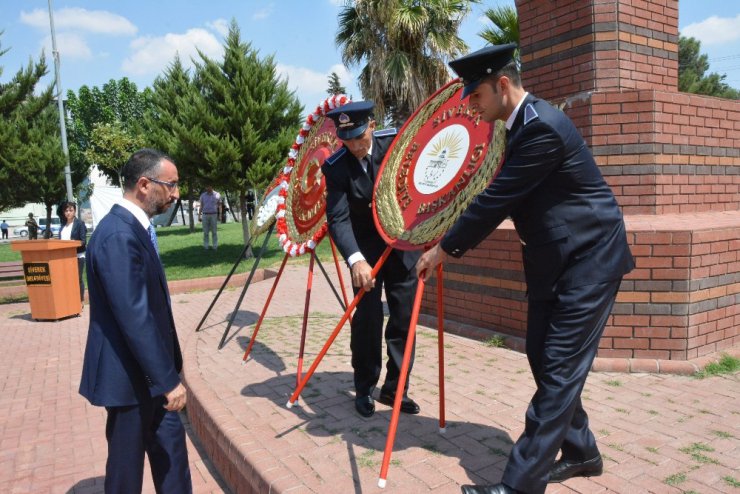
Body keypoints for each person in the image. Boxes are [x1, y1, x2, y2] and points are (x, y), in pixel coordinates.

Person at [415, 44, 635, 494]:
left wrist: (443, 248)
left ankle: (520, 484)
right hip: (553, 263)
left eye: (475, 96)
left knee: (557, 369)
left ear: (501, 85)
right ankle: (581, 451)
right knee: (541, 354)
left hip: (590, 260)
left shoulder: (542, 129)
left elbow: (496, 199)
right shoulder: (518, 127)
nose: (472, 107)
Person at [79, 148, 192, 493]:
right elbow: (134, 316)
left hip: (150, 376)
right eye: (170, 185)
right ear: (144, 184)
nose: (175, 194)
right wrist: (168, 379)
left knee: (172, 459)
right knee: (126, 473)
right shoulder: (118, 235)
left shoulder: (133, 228)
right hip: (130, 381)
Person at [323, 101, 421, 418]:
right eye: (346, 139)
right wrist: (355, 260)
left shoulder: (396, 145)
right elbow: (338, 219)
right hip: (365, 250)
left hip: (403, 245)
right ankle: (364, 387)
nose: (353, 145)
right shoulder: (336, 167)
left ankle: (395, 389)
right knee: (367, 321)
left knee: (404, 319)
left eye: (359, 137)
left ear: (373, 126)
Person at [57, 201, 87, 303]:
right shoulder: (63, 226)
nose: (68, 212)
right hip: (64, 257)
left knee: (77, 279)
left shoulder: (80, 224)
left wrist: (73, 243)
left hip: (78, 256)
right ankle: (70, 301)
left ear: (75, 211)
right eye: (66, 210)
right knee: (66, 279)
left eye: (71, 210)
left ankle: (80, 301)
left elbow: (83, 241)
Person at [198, 185, 221, 250]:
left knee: (214, 232)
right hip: (205, 215)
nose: (207, 188)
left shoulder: (217, 195)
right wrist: (199, 216)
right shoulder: (203, 195)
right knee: (205, 232)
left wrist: (220, 215)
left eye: (209, 186)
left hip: (214, 215)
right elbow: (201, 206)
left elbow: (219, 206)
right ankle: (206, 246)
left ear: (211, 186)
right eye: (206, 186)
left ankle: (215, 246)